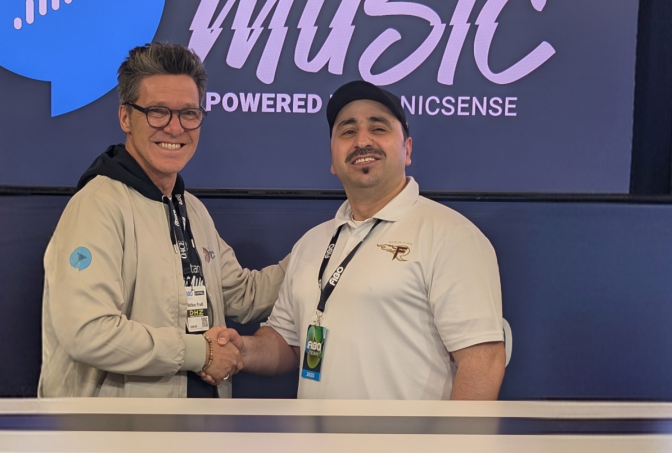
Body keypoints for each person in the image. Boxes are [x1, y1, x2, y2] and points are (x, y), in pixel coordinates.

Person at [203, 80, 507, 399]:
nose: (362, 141)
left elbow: (482, 361)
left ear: (407, 149)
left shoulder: (450, 235)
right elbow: (288, 342)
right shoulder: (312, 243)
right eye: (348, 131)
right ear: (333, 160)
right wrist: (242, 351)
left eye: (379, 128)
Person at [38, 42, 288, 398]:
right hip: (114, 428)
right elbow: (88, 331)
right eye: (158, 112)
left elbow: (243, 295)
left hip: (196, 423)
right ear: (125, 117)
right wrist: (200, 352)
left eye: (189, 113)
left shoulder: (192, 211)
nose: (175, 128)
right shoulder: (97, 206)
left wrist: (322, 251)